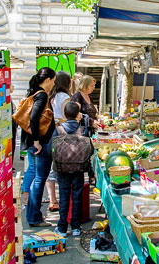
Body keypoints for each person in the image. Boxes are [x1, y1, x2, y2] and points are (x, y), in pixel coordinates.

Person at [24, 67, 56, 227]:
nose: (54, 84)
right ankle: (34, 217)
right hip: (40, 144)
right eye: (53, 80)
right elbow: (34, 117)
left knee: (37, 178)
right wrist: (36, 140)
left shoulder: (33, 92)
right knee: (39, 179)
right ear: (48, 79)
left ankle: (33, 214)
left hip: (35, 143)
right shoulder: (42, 94)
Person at [54, 102, 88, 237]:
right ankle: (76, 227)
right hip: (79, 166)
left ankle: (62, 227)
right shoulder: (82, 129)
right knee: (77, 196)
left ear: (64, 114)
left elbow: (53, 146)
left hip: (62, 167)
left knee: (64, 196)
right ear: (78, 115)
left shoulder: (58, 128)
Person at [44, 71, 74, 213]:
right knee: (61, 166)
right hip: (61, 133)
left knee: (51, 166)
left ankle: (52, 199)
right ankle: (63, 201)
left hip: (51, 132)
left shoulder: (52, 96)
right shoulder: (65, 97)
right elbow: (65, 116)